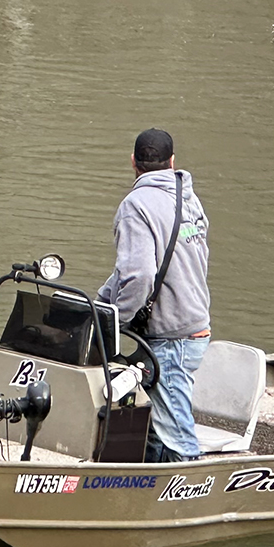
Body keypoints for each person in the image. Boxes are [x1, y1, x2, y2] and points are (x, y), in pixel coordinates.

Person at [98, 129, 211, 462]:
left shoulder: (136, 206)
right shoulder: (188, 197)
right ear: (172, 162)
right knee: (154, 428)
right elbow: (181, 260)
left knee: (178, 436)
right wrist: (104, 296)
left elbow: (140, 274)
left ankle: (188, 497)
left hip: (170, 338)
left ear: (133, 162)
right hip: (195, 326)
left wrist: (115, 317)